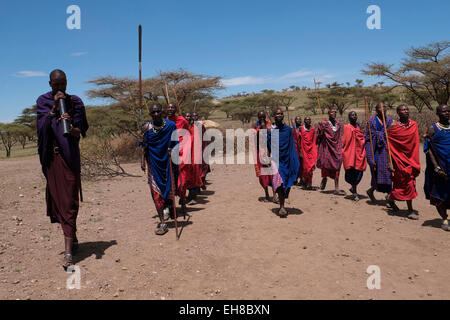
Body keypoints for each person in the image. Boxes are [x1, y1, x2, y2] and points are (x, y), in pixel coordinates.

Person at [36, 69, 89, 269]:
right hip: (53, 159)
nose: (60, 88)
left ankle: (68, 249)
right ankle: (71, 240)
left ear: (67, 82)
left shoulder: (76, 102)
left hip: (70, 158)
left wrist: (72, 127)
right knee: (61, 201)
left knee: (70, 200)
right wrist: (53, 110)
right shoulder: (42, 101)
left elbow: (81, 129)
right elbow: (41, 128)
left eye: (63, 84)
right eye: (56, 85)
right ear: (50, 84)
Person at [141, 103, 179, 235]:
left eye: (158, 112)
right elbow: (143, 146)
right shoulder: (146, 127)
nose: (156, 114)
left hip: (167, 164)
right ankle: (162, 222)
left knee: (168, 191)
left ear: (162, 112)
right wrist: (142, 162)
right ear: (150, 114)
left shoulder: (171, 126)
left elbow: (176, 143)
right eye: (153, 112)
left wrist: (171, 149)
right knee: (156, 194)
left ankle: (169, 209)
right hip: (154, 165)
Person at [386, 105, 420, 218]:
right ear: (398, 112)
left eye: (406, 109)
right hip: (398, 160)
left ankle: (391, 198)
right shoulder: (393, 126)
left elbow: (415, 143)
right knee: (402, 182)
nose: (405, 111)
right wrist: (389, 162)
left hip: (411, 159)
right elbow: (388, 145)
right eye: (402, 110)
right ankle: (409, 210)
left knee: (410, 182)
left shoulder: (413, 124)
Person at [268, 108, 300, 217]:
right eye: (277, 113)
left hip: (287, 160)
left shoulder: (288, 130)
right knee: (280, 183)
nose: (279, 115)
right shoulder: (271, 131)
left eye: (281, 113)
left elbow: (292, 145)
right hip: (276, 161)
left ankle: (282, 202)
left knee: (286, 183)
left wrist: (295, 159)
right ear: (274, 116)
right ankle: (282, 206)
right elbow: (268, 144)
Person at [424, 105, 450, 231]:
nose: (447, 113)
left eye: (448, 111)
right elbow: (428, 149)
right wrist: (436, 167)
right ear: (438, 113)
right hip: (441, 168)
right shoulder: (433, 129)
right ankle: (444, 219)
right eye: (443, 111)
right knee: (440, 194)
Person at [365, 103, 393, 202]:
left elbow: (393, 136)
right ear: (376, 110)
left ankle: (389, 194)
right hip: (376, 151)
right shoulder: (371, 121)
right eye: (380, 107)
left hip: (387, 150)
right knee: (378, 172)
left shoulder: (390, 121)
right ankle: (373, 191)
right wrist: (370, 156)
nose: (383, 109)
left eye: (384, 107)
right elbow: (368, 139)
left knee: (390, 172)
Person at [166, 103, 192, 209]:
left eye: (172, 107)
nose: (170, 109)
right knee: (170, 178)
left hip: (181, 151)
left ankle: (182, 197)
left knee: (182, 177)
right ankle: (170, 203)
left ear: (176, 109)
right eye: (168, 107)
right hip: (168, 152)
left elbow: (188, 134)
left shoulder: (182, 120)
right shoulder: (164, 121)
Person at [316, 108, 344, 195]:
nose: (334, 113)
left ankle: (336, 188)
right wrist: (322, 132)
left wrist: (340, 147)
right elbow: (318, 139)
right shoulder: (323, 124)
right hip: (327, 148)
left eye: (335, 112)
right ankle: (324, 178)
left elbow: (339, 137)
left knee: (337, 166)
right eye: (332, 112)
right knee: (325, 164)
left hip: (336, 148)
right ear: (328, 114)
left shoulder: (338, 124)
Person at [342, 111, 367, 201]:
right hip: (350, 153)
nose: (354, 116)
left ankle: (353, 188)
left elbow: (362, 138)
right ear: (349, 117)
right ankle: (355, 191)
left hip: (359, 153)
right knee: (352, 172)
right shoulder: (347, 127)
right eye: (352, 115)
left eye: (355, 115)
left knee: (359, 172)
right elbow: (345, 141)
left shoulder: (359, 127)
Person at [253, 111, 274, 202]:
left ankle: (275, 194)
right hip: (260, 152)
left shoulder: (270, 125)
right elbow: (254, 140)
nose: (262, 117)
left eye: (263, 116)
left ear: (265, 117)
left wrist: (266, 129)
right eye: (260, 116)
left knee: (272, 174)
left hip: (269, 152)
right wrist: (260, 129)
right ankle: (266, 194)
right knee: (263, 175)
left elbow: (272, 138)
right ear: (258, 117)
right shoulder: (255, 126)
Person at [185, 112, 204, 201]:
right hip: (184, 154)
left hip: (194, 154)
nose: (188, 118)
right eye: (186, 116)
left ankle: (194, 191)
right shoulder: (182, 128)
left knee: (195, 172)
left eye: (189, 116)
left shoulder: (196, 128)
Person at [192, 112, 210, 190]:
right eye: (193, 116)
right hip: (192, 148)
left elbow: (205, 137)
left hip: (202, 147)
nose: (195, 117)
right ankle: (198, 184)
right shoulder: (189, 126)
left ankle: (202, 180)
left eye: (196, 116)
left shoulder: (201, 126)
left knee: (203, 165)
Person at [300, 116, 317, 190]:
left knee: (311, 167)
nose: (308, 121)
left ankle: (309, 183)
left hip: (311, 150)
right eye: (306, 120)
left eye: (309, 120)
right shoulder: (301, 129)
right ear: (304, 121)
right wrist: (300, 150)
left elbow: (314, 139)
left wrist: (314, 149)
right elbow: (299, 140)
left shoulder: (313, 129)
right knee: (306, 167)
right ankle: (304, 180)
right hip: (304, 150)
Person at [292, 116, 303, 186]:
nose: (298, 120)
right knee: (295, 164)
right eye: (296, 119)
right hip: (294, 149)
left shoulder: (303, 128)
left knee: (302, 164)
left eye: (299, 119)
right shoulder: (293, 129)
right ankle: (295, 178)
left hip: (302, 149)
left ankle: (302, 179)